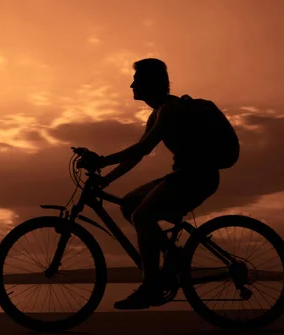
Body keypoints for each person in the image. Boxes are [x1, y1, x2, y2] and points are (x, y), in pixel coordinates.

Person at [77, 58, 238, 310]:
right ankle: (172, 255)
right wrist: (105, 179)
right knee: (129, 204)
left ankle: (150, 286)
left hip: (197, 178)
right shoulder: (157, 114)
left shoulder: (169, 109)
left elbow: (143, 148)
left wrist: (101, 160)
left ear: (150, 82)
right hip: (184, 176)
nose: (131, 84)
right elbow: (137, 157)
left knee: (142, 216)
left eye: (136, 79)